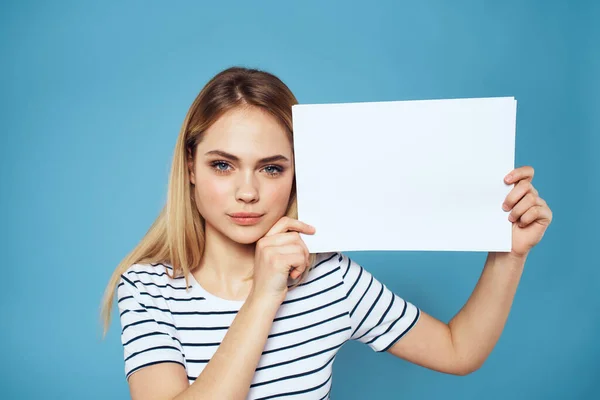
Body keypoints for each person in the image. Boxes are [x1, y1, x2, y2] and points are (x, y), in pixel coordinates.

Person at [99, 66, 553, 400]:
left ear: (297, 174)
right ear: (191, 168)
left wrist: (508, 255)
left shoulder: (329, 276)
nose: (248, 191)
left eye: (271, 168)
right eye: (223, 165)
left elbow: (458, 351)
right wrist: (264, 295)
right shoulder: (147, 289)